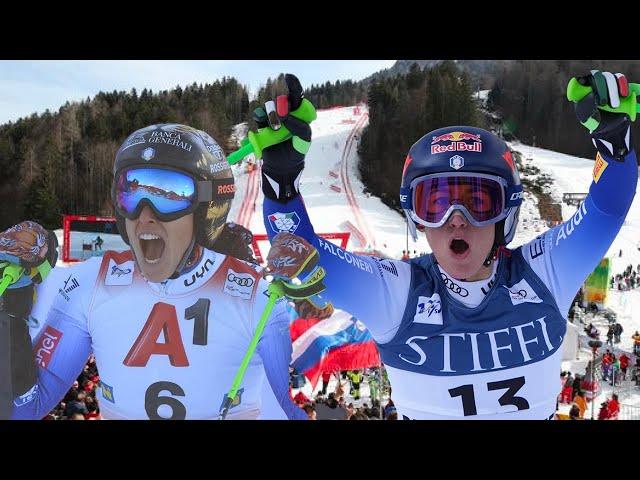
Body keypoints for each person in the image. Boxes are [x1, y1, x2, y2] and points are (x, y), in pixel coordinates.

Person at [258, 71, 638, 419]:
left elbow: (604, 211)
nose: (456, 218)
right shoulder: (398, 293)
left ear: (505, 212)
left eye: (478, 201)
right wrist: (280, 183)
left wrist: (614, 146)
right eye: (436, 203)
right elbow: (300, 252)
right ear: (417, 218)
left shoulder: (543, 275)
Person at [5, 124, 307, 420]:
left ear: (206, 210)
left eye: (169, 195)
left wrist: (284, 193)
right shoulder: (89, 283)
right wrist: (11, 315)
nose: (145, 215)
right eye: (130, 193)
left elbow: (289, 407)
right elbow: (24, 408)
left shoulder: (255, 295)